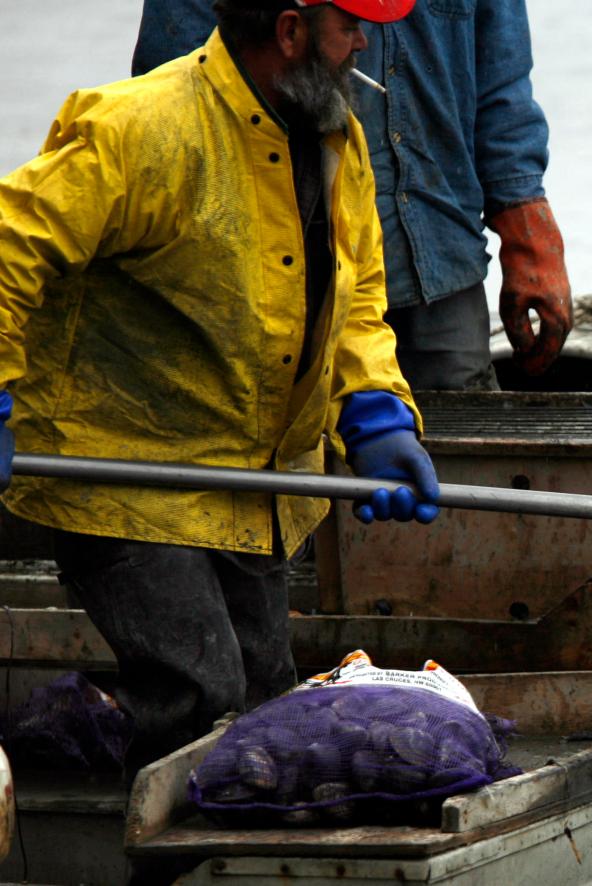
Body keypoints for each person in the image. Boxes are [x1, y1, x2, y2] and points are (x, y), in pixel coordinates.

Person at [0, 0, 440, 769]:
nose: (364, 42)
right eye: (352, 24)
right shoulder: (139, 127)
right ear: (291, 29)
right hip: (125, 476)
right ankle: (59, 759)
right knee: (200, 694)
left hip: (253, 487)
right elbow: (10, 249)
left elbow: (357, 298)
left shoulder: (337, 136)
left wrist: (376, 412)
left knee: (268, 711)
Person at [132, 0, 573, 391]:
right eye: (349, 26)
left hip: (439, 262)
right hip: (274, 272)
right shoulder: (112, 137)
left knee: (462, 452)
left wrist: (528, 230)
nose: (360, 39)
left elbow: (503, 82)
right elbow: (179, 101)